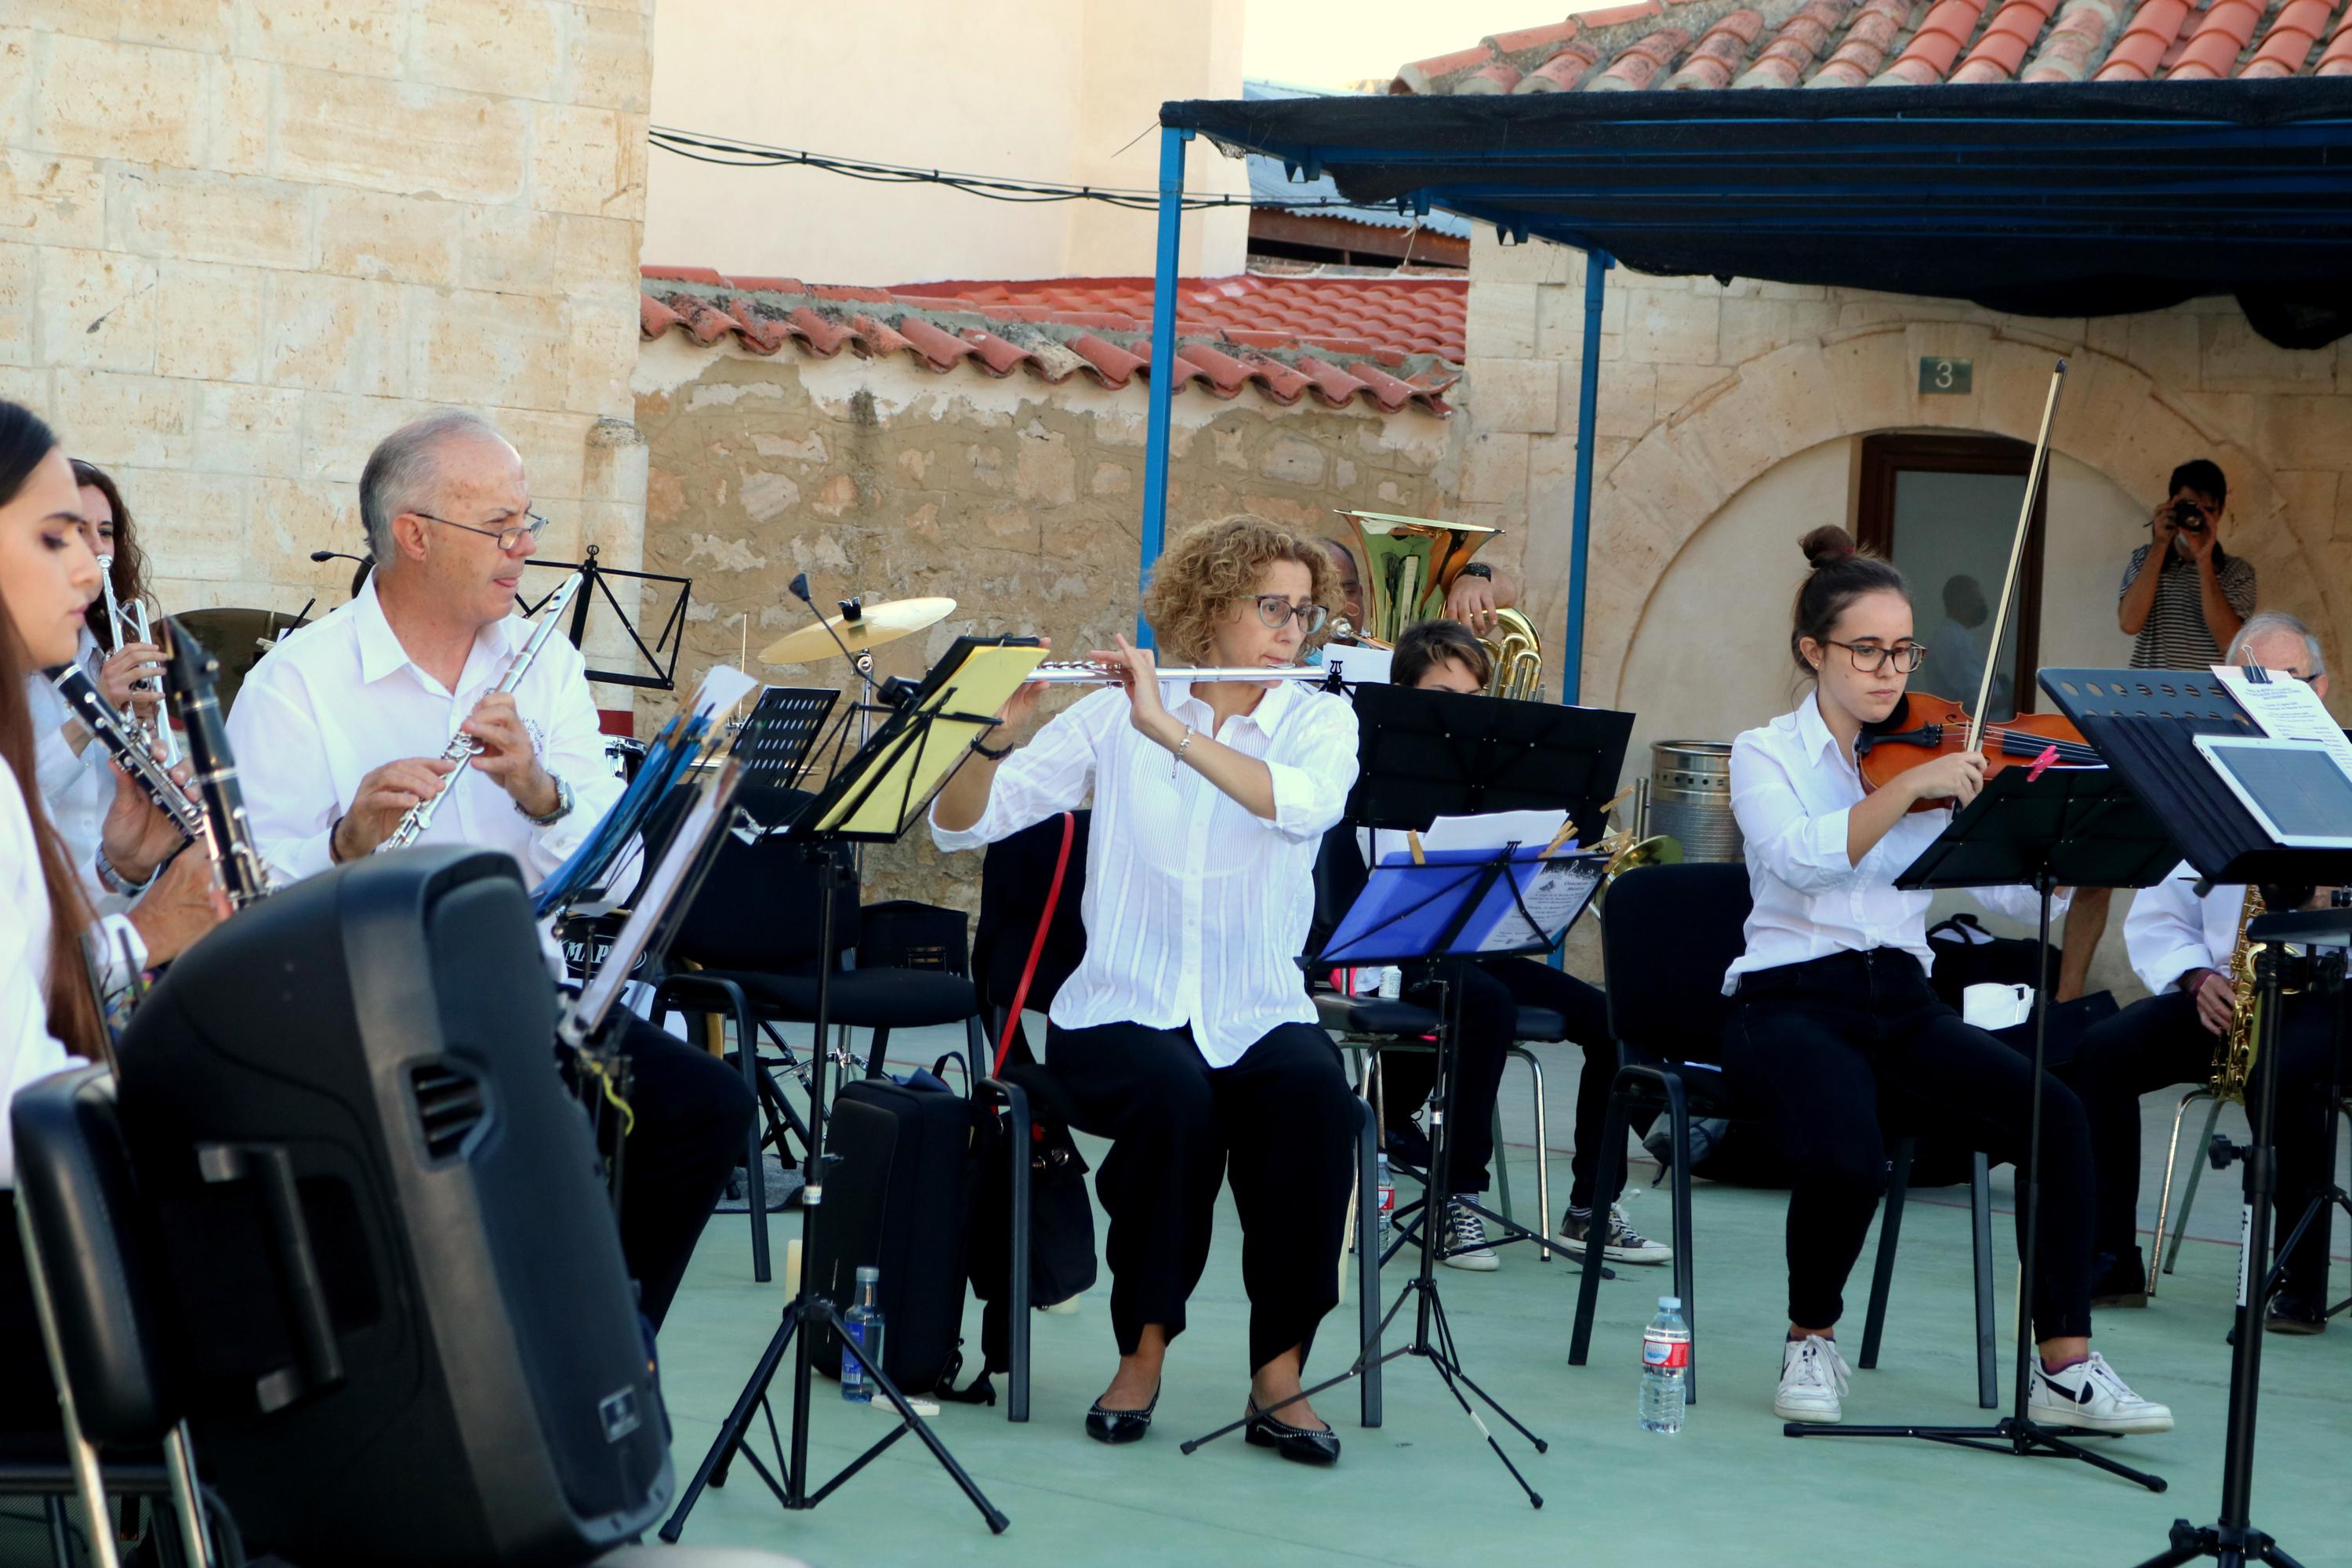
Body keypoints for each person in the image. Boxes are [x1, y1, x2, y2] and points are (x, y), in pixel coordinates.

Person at [225, 408, 752, 1330]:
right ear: (414, 536)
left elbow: (618, 877)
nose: (525, 546)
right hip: (363, 1017)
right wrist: (346, 844)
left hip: (520, 999)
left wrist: (540, 793)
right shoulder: (298, 684)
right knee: (496, 1145)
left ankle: (604, 1356)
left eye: (527, 520)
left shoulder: (546, 665)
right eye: (499, 526)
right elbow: (242, 902)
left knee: (702, 1108)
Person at [1720, 523, 2171, 1433]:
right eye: (1868, 650)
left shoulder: (1928, 750)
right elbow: (1804, 857)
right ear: (1815, 651)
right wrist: (1909, 786)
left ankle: (2065, 1367)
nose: (1890, 671)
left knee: (2058, 1115)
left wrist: (2070, 842)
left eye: (1903, 650)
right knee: (1850, 1155)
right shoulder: (1764, 752)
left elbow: (2009, 884)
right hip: (1790, 1001)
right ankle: (1812, 1334)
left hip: (1904, 1000)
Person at [933, 514, 1362, 1465]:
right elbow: (963, 827)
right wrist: (989, 741)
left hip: (1256, 1005)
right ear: (1209, 610)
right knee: (1174, 1101)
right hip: (1121, 1005)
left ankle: (1279, 1373)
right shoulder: (1108, 713)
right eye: (1270, 607)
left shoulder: (1320, 718)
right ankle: (1143, 1352)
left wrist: (1166, 725)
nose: (1292, 629)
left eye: (1303, 611)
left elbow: (1301, 807)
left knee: (1313, 1098)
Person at [0, 401, 227, 1436]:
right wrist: (149, 935)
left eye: (96, 541)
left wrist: (120, 868)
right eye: (54, 539)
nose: (91, 572)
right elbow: (23, 1106)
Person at [1366, 619, 1668, 1270]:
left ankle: (1592, 1209)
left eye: (1475, 698)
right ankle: (1457, 1198)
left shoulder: (1493, 772)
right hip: (1396, 951)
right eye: (1445, 696)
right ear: (1407, 698)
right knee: (1487, 1003)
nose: (1462, 714)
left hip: (1482, 947)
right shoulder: (1380, 767)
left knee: (1610, 1018)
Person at [2067, 612, 2339, 1330]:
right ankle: (2109, 1260)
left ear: (2323, 687)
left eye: (2288, 684)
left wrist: (2331, 896)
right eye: (2251, 687)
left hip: (2328, 995)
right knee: (2101, 1053)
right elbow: (2159, 916)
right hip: (2229, 992)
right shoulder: (2205, 776)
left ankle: (2298, 1283)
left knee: (2285, 1071)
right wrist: (2193, 978)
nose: (2270, 702)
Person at [27, 459, 171, 902]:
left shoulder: (116, 650)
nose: (97, 549)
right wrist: (94, 711)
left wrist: (148, 731)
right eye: (76, 529)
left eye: (105, 532)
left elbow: (153, 813)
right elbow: (15, 800)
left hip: (121, 908)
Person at [2117, 458, 2255, 671]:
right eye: (2187, 508)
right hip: (2150, 698)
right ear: (2171, 505)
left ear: (2220, 511)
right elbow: (2129, 623)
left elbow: (2230, 643)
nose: (2193, 519)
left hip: (2209, 701)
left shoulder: (2237, 572)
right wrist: (2160, 544)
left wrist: (2204, 560)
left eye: (2205, 510)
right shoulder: (2145, 559)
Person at [1313, 535, 1523, 641]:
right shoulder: (1287, 663)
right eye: (1325, 593)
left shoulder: (1378, 649)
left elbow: (1507, 595)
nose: (1338, 605)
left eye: (1347, 591)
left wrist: (1476, 577)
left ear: (1361, 592)